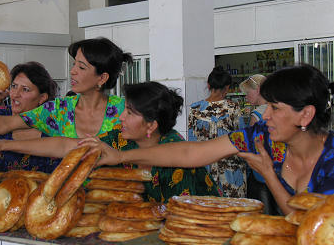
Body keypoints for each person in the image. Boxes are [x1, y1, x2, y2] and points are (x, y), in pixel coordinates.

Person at [81, 65, 334, 215]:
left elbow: (306, 222)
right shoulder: (262, 137)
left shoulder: (330, 158)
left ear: (306, 114)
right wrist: (121, 156)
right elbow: (191, 154)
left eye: (275, 109)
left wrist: (269, 175)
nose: (265, 115)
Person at [0, 82, 221, 202]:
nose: (120, 117)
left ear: (151, 125)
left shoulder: (178, 161)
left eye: (130, 113)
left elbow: (182, 222)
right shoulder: (118, 141)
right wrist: (2, 145)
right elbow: (64, 146)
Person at [0, 37, 132, 142]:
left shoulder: (125, 111)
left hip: (120, 205)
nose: (73, 71)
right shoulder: (60, 109)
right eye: (74, 63)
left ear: (102, 78)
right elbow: (3, 122)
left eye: (81, 67)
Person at [188, 67, 247, 198]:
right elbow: (241, 139)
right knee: (233, 211)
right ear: (227, 87)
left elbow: (191, 143)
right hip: (231, 172)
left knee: (208, 211)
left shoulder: (195, 109)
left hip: (204, 170)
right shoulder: (233, 108)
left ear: (208, 85)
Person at [240, 74, 279, 214]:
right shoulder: (275, 110)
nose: (246, 96)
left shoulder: (257, 114)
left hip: (259, 172)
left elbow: (250, 144)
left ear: (257, 90)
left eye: (247, 92)